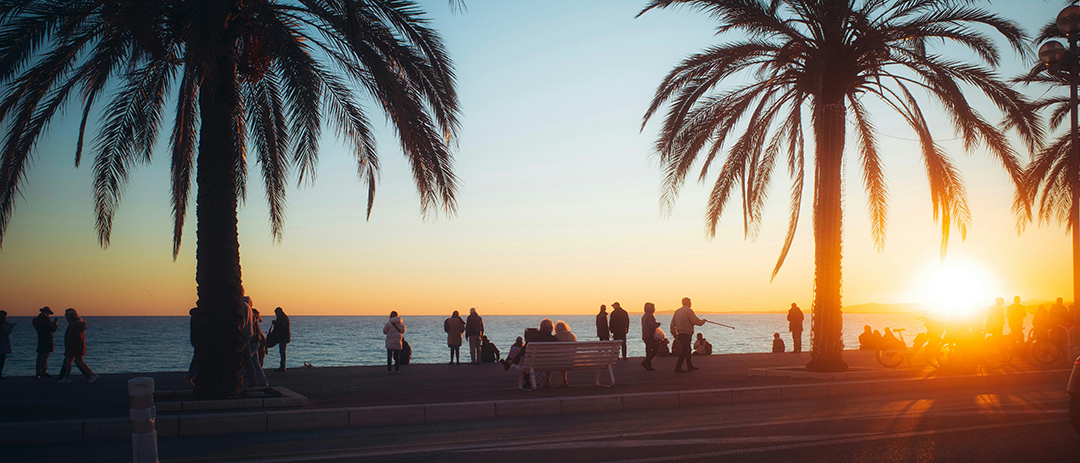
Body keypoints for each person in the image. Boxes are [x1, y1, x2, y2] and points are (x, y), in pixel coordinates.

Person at [57, 308, 98, 383]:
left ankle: (91, 374)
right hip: (74, 347)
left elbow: (76, 337)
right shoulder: (77, 325)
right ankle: (66, 377)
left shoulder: (75, 326)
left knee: (76, 361)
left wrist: (71, 345)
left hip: (74, 347)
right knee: (71, 362)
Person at [670, 297, 706, 373]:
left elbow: (672, 324)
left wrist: (674, 333)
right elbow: (694, 321)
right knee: (685, 350)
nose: (691, 304)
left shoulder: (677, 311)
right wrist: (702, 322)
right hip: (687, 333)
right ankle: (678, 367)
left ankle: (690, 366)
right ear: (687, 302)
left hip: (680, 333)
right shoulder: (689, 311)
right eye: (690, 302)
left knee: (688, 349)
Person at [240, 296, 268, 388]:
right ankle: (262, 382)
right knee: (254, 363)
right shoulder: (251, 314)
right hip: (255, 341)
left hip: (252, 341)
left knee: (247, 361)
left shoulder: (249, 314)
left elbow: (252, 332)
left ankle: (243, 379)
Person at [33, 306, 58, 378]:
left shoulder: (35, 320)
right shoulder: (46, 319)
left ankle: (38, 371)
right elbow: (52, 329)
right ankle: (43, 371)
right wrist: (55, 324)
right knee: (45, 356)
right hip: (47, 339)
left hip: (40, 339)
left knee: (40, 356)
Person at [553, 320, 577, 387]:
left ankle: (547, 381)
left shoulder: (555, 337)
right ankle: (564, 380)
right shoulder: (572, 336)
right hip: (572, 359)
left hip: (561, 360)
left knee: (561, 358)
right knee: (564, 357)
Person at [640, 302, 661, 371]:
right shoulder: (650, 316)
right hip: (650, 336)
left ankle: (648, 364)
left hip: (645, 335)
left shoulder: (645, 316)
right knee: (656, 348)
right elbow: (651, 326)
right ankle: (646, 361)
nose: (654, 309)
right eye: (653, 308)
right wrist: (657, 324)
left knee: (648, 350)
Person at [271, 307, 290, 372]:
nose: (276, 314)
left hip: (283, 337)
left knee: (282, 352)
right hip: (281, 337)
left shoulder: (283, 318)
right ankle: (282, 366)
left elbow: (281, 326)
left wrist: (275, 323)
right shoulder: (281, 318)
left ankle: (282, 367)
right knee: (282, 352)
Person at [185, 307, 199, 384]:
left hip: (195, 340)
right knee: (200, 359)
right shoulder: (198, 317)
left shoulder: (194, 318)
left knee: (196, 358)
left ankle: (191, 375)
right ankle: (190, 375)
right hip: (199, 341)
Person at [0, 310, 12, 379]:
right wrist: (11, 327)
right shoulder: (2, 324)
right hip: (2, 344)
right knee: (1, 360)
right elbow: (6, 332)